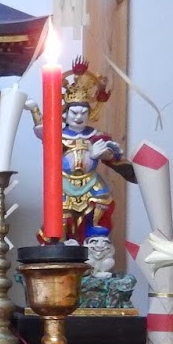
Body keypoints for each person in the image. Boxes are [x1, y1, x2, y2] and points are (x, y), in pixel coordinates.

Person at [29, 59, 136, 245]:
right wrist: (34, 109)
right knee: (60, 215)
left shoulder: (96, 136)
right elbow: (42, 130)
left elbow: (114, 156)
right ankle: (61, 243)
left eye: (83, 113)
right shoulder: (58, 135)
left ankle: (95, 239)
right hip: (64, 183)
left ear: (90, 114)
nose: (78, 117)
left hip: (91, 182)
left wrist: (103, 153)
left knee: (101, 203)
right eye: (74, 113)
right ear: (65, 113)